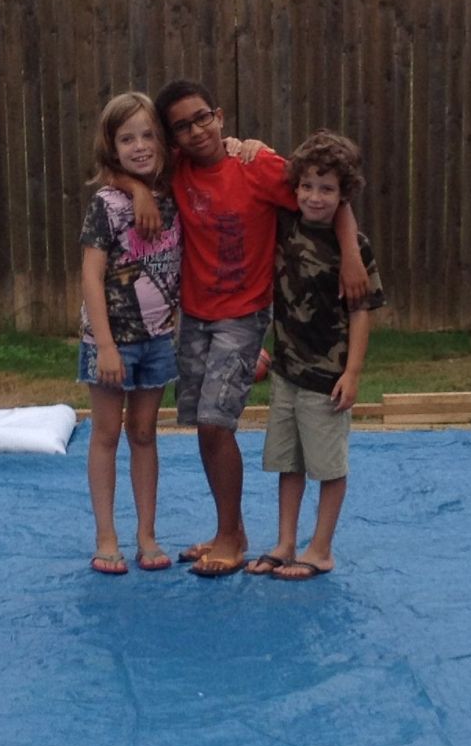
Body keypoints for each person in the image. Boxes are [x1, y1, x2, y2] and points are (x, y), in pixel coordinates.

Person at [152, 79, 368, 578]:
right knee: (203, 428)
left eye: (202, 117)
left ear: (220, 115)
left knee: (215, 421)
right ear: (173, 138)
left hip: (244, 314)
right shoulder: (177, 172)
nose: (195, 130)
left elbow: (327, 186)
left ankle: (233, 535)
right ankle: (227, 527)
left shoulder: (255, 166)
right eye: (181, 126)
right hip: (195, 316)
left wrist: (352, 252)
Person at [251, 133, 384, 581]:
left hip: (327, 377)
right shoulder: (285, 226)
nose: (315, 197)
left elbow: (361, 312)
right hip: (287, 371)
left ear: (344, 195)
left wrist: (353, 372)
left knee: (328, 466)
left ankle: (321, 547)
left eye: (327, 189)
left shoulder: (355, 249)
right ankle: (286, 540)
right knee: (288, 463)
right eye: (307, 186)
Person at [76, 92, 180, 575]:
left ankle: (147, 533)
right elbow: (91, 277)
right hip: (111, 341)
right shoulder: (106, 203)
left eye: (147, 135)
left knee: (144, 433)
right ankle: (106, 535)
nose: (139, 146)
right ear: (111, 147)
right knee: (107, 434)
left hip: (158, 338)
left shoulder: (173, 194)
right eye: (126, 138)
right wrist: (107, 346)